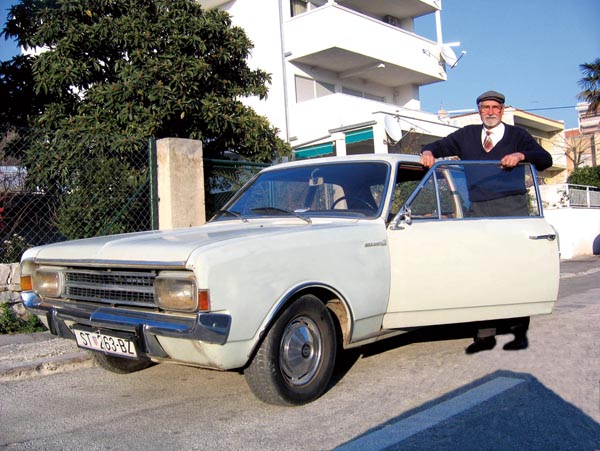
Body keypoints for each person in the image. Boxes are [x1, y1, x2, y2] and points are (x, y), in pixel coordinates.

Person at [420, 90, 553, 354]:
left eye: (495, 107)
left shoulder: (518, 136)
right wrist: (427, 151)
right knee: (482, 271)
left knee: (514, 270)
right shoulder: (467, 135)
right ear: (479, 110)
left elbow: (545, 160)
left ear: (502, 110)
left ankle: (518, 332)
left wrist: (521, 156)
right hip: (478, 209)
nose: (490, 112)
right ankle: (484, 335)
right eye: (485, 107)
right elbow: (438, 146)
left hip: (512, 207)